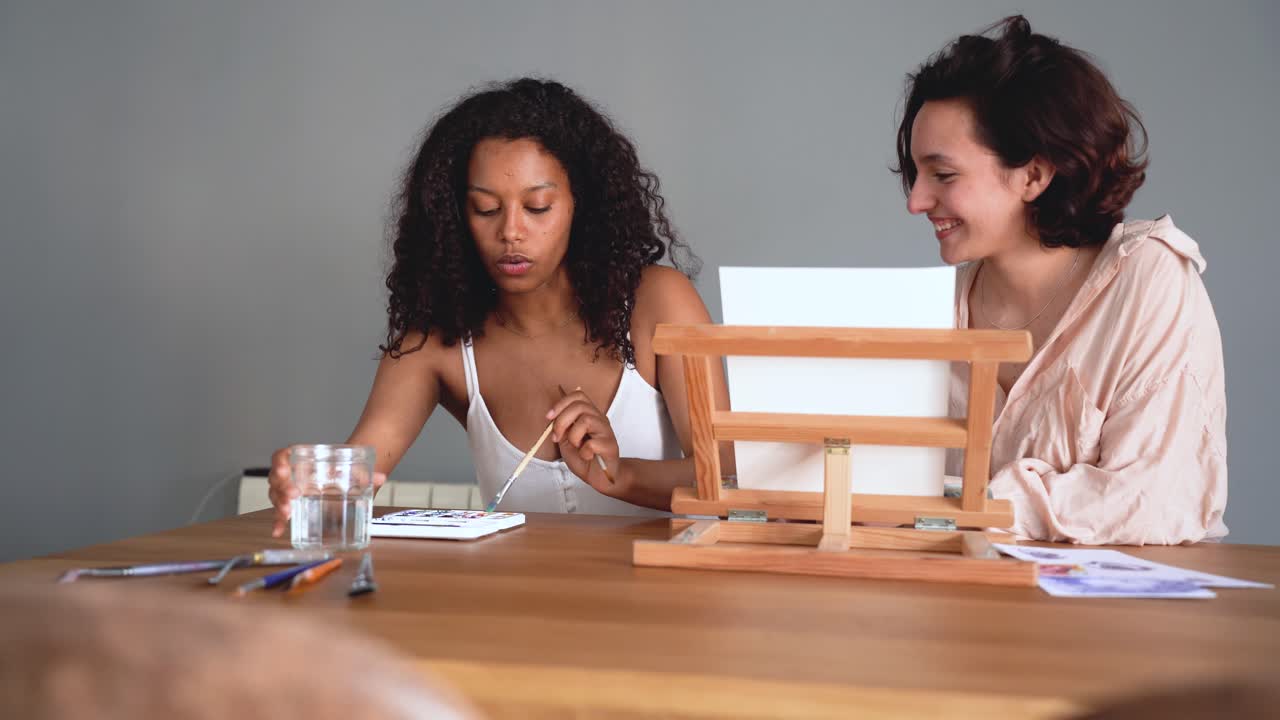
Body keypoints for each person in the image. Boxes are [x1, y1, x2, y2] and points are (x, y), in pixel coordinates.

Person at [269, 78, 729, 534]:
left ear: (580, 205)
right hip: (513, 586)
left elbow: (727, 475)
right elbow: (355, 475)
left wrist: (622, 474)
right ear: (455, 216)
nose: (510, 232)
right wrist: (307, 483)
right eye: (486, 209)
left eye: (538, 207)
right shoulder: (438, 343)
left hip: (660, 583)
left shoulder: (658, 303)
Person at [894, 16, 1227, 544]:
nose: (916, 201)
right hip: (965, 589)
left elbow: (1157, 496)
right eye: (916, 175)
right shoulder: (933, 311)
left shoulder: (1148, 276)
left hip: (1129, 596)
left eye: (944, 174)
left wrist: (963, 506)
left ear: (1033, 174)